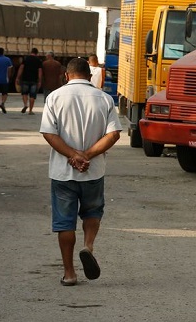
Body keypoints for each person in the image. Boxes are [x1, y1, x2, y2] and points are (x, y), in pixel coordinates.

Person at [40, 57, 122, 287]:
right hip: (93, 171)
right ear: (90, 75)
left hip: (63, 173)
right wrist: (87, 155)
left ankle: (69, 273)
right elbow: (114, 134)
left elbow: (49, 133)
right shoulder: (104, 99)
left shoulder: (54, 97)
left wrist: (73, 155)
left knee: (65, 223)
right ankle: (88, 246)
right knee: (92, 211)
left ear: (67, 75)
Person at [16, 48, 43, 115]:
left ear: (31, 52)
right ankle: (30, 110)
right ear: (36, 53)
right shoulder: (38, 60)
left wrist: (18, 77)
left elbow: (21, 68)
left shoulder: (26, 59)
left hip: (25, 79)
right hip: (34, 80)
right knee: (32, 96)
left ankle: (25, 104)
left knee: (24, 93)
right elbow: (40, 71)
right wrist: (39, 81)